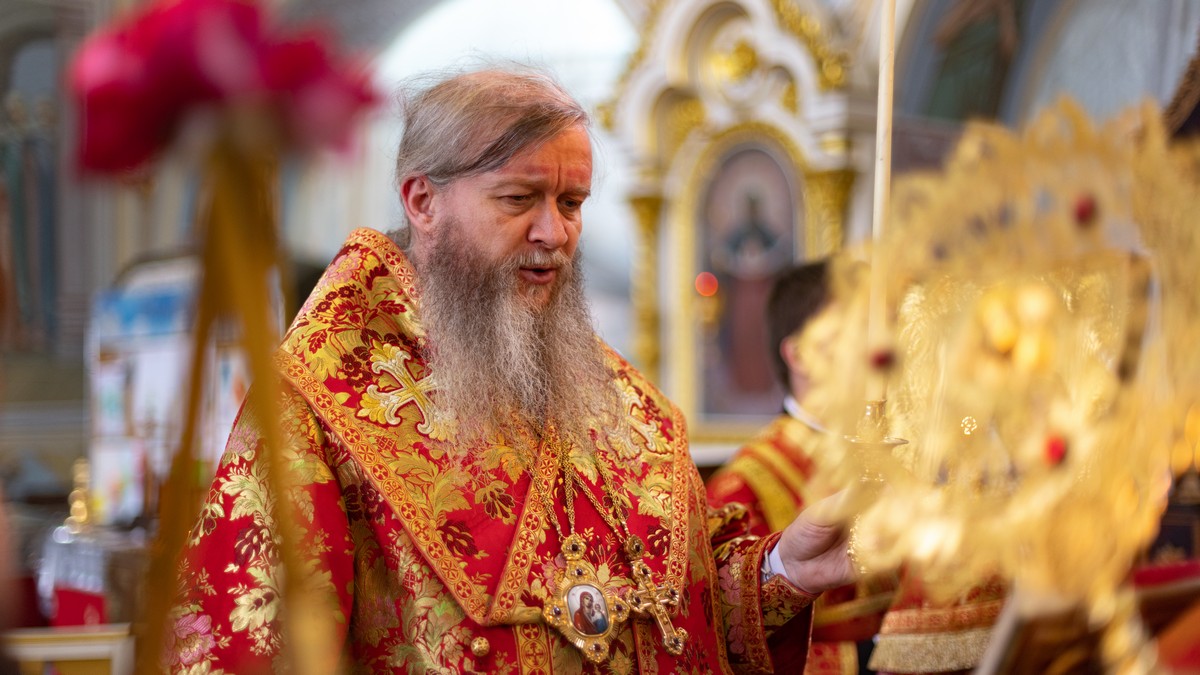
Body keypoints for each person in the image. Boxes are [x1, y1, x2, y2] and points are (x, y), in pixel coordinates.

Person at [164, 66, 856, 673]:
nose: (555, 233)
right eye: (519, 199)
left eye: (572, 203)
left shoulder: (623, 402)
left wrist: (785, 569)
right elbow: (250, 647)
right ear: (422, 201)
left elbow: (678, 618)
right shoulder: (318, 405)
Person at [706, 260, 897, 674]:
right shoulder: (739, 490)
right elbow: (729, 647)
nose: (881, 351)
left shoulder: (897, 457)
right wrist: (870, 657)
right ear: (799, 355)